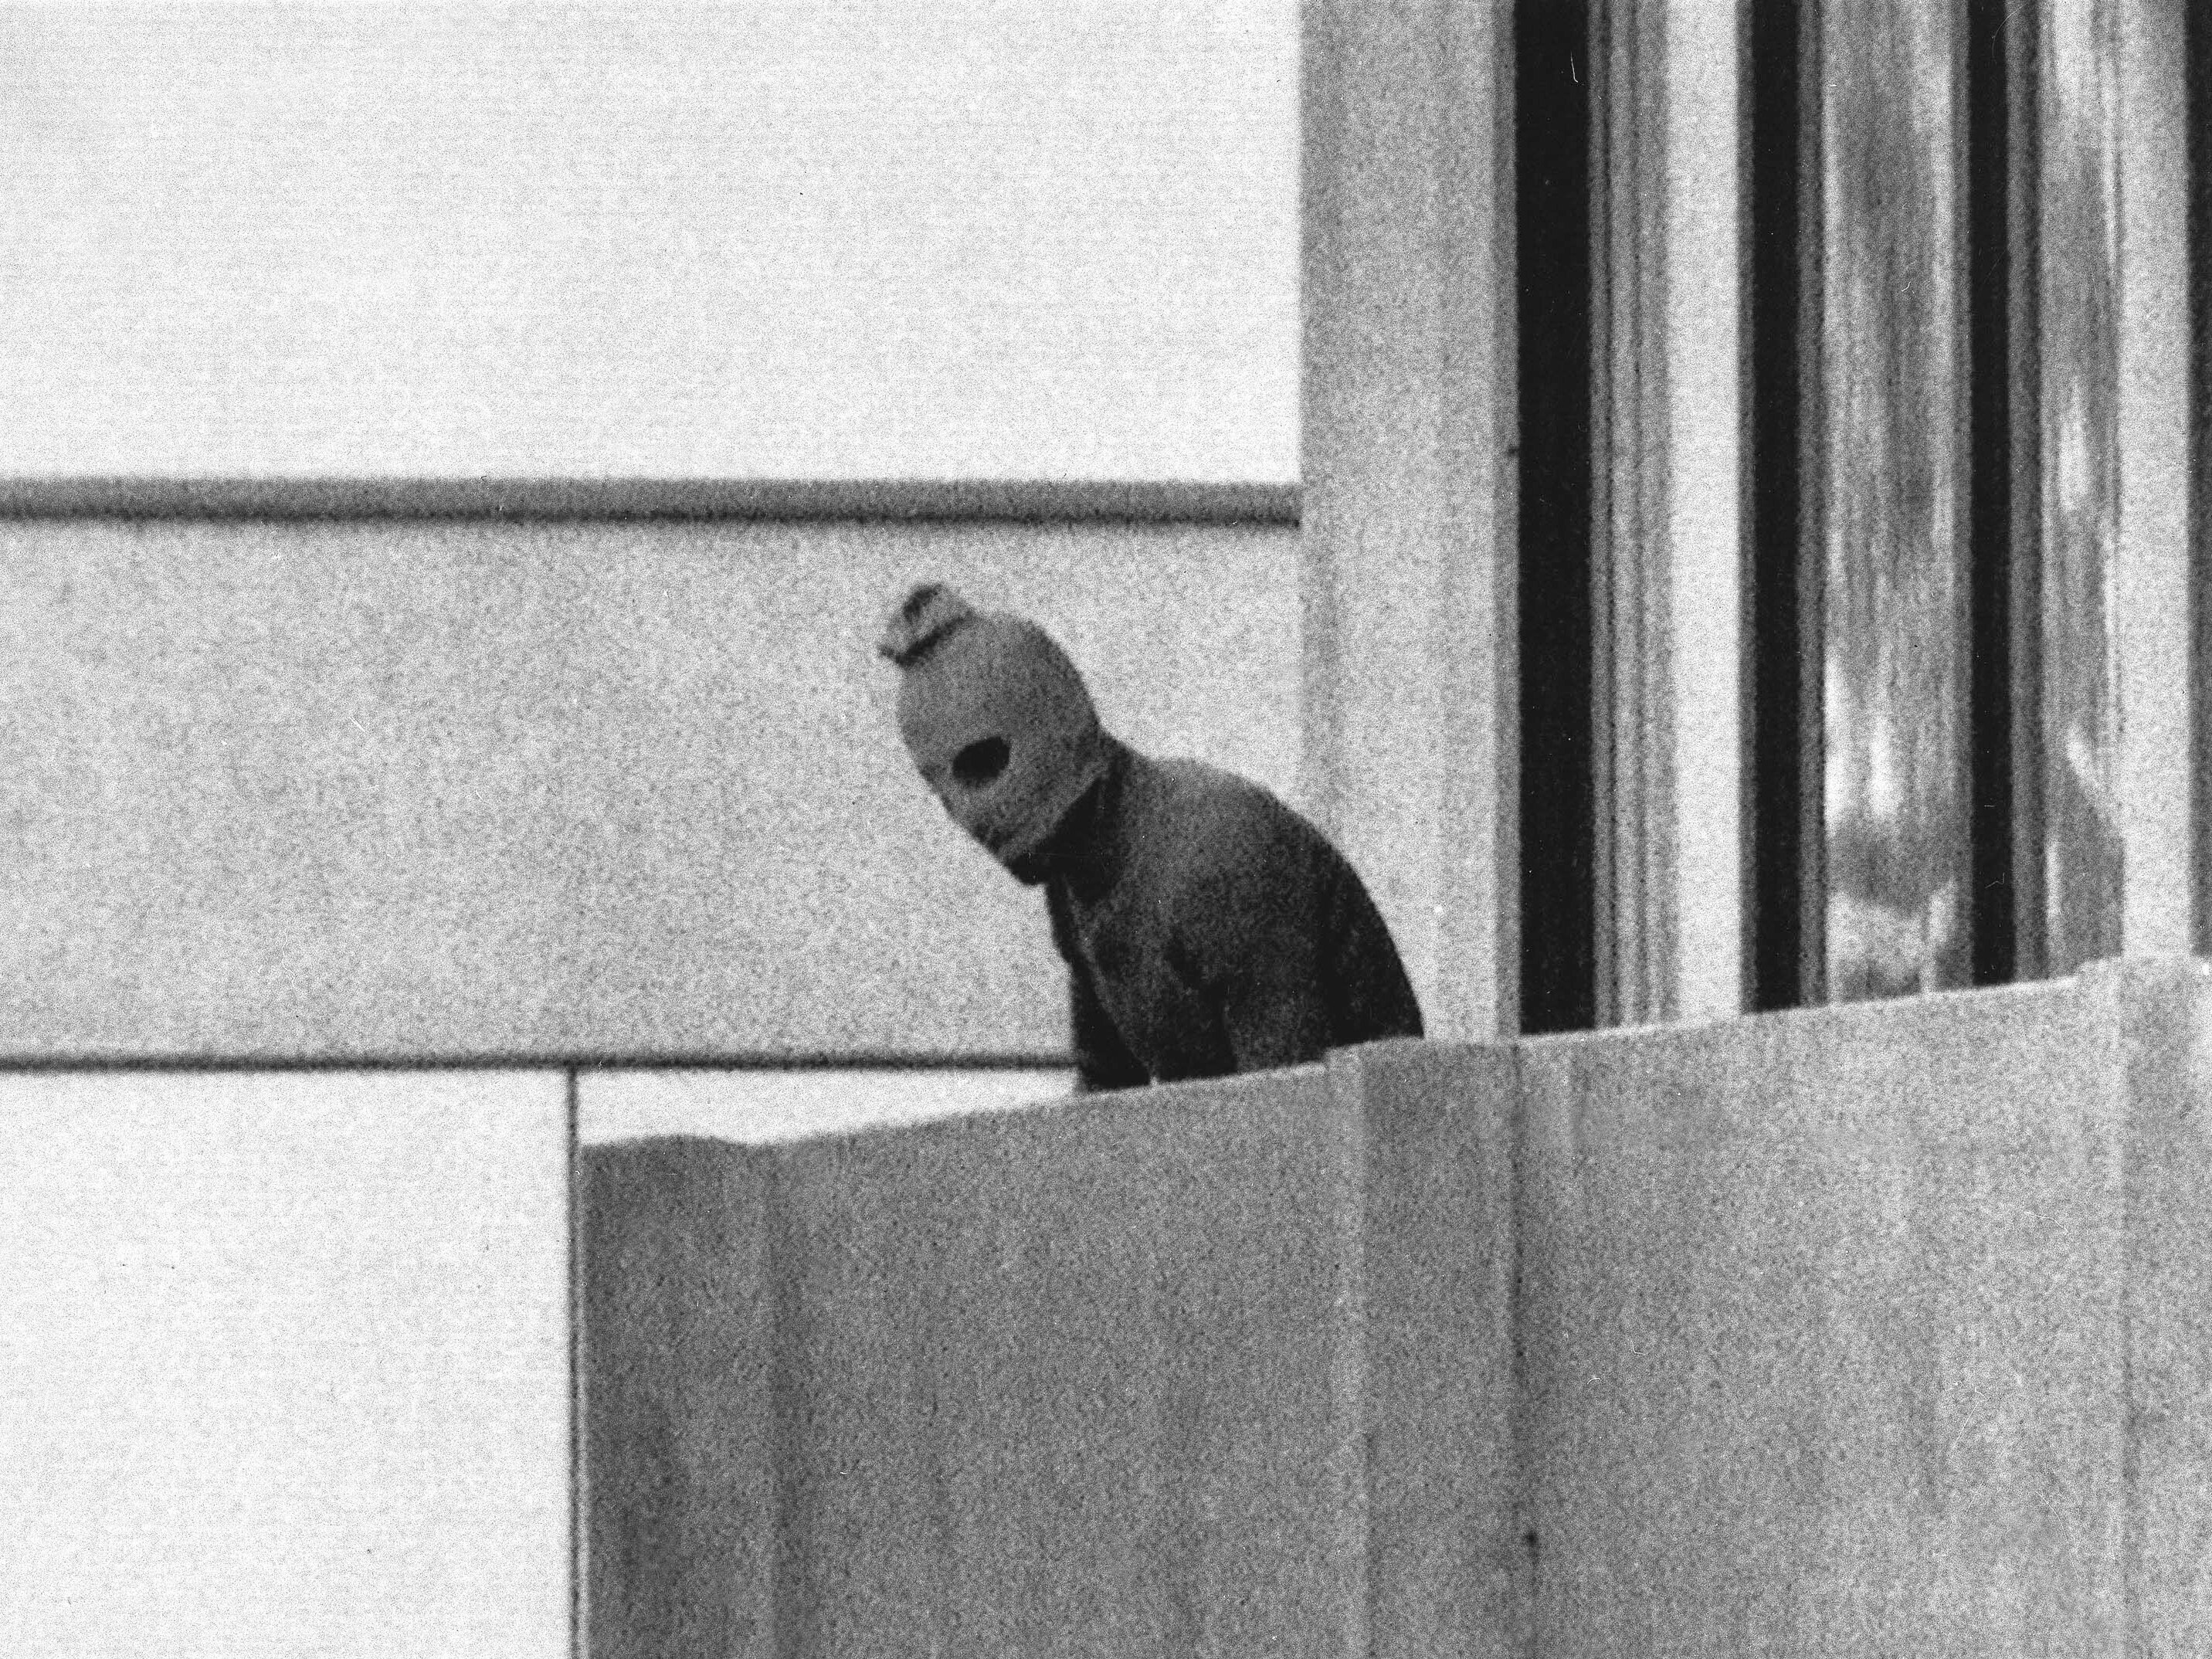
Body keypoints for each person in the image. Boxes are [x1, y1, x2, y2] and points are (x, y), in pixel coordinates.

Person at [878, 582, 1423, 1090]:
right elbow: (1106, 1100)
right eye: (941, 792)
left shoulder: (1217, 853)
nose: (970, 817)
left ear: (1060, 724)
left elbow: (1289, 1113)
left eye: (983, 763)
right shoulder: (1077, 879)